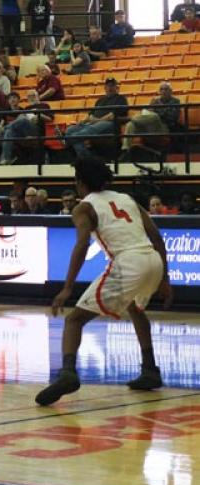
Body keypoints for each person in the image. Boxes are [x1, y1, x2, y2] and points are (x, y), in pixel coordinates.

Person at [35, 156, 173, 406]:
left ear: (79, 182)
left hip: (128, 261)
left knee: (74, 320)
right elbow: (157, 238)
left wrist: (67, 288)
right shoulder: (127, 199)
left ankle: (68, 373)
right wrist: (165, 278)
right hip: (152, 260)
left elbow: (81, 244)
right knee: (136, 309)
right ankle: (150, 370)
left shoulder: (83, 207)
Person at [64, 77, 128, 157]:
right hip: (94, 123)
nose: (110, 88)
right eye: (108, 86)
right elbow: (91, 114)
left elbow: (112, 116)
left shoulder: (121, 99)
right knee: (70, 129)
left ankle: (68, 139)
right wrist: (83, 122)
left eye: (112, 86)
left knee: (89, 129)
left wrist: (97, 121)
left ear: (116, 87)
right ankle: (85, 156)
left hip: (110, 124)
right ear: (105, 87)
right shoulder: (100, 100)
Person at [120, 82, 180, 156]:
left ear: (171, 91)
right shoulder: (155, 101)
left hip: (163, 127)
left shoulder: (175, 101)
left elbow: (172, 117)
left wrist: (157, 112)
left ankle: (131, 118)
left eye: (166, 89)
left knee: (154, 116)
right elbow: (149, 111)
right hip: (149, 126)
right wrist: (159, 111)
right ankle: (125, 150)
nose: (163, 91)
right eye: (161, 89)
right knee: (131, 124)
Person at [0, 90, 52, 164]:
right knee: (10, 131)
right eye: (29, 96)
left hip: (36, 130)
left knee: (22, 119)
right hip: (24, 129)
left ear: (38, 96)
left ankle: (5, 128)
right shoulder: (27, 108)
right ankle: (6, 158)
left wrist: (39, 114)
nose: (31, 98)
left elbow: (50, 118)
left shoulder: (44, 105)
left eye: (33, 95)